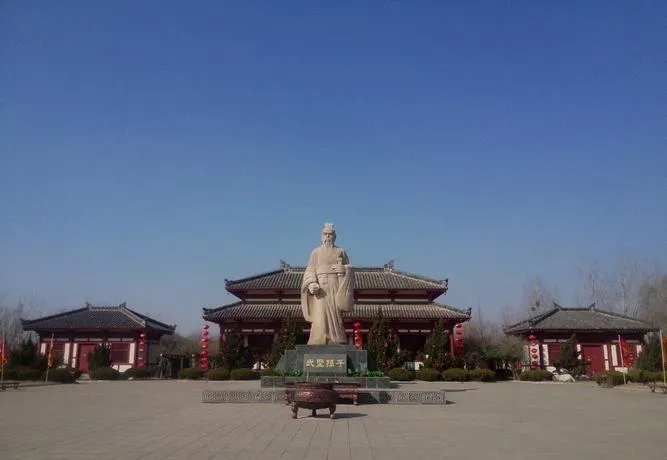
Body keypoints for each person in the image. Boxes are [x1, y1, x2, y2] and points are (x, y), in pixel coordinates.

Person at [300, 223, 355, 345]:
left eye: (330, 234)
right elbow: (309, 271)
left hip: (335, 286)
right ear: (322, 235)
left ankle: (337, 338)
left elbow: (350, 268)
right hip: (321, 287)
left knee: (336, 314)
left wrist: (344, 269)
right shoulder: (316, 252)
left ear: (335, 236)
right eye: (325, 234)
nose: (328, 236)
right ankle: (318, 338)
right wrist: (311, 284)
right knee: (320, 316)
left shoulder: (341, 251)